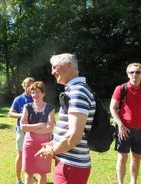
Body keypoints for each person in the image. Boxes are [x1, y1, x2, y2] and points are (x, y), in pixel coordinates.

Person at [35, 53, 96, 184]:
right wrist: (54, 142)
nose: (52, 72)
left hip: (72, 165)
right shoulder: (74, 90)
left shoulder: (78, 92)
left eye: (55, 67)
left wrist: (52, 150)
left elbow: (74, 137)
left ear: (69, 65)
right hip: (69, 162)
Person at [109, 63, 141, 184]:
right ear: (128, 74)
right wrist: (121, 125)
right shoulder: (121, 89)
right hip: (124, 129)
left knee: (137, 157)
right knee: (122, 157)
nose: (135, 75)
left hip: (140, 130)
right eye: (132, 72)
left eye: (138, 72)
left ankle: (133, 182)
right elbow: (112, 108)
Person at [20, 81, 55, 184]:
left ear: (43, 93)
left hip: (44, 145)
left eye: (38, 92)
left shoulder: (50, 108)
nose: (35, 95)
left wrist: (30, 127)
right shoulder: (27, 107)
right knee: (28, 172)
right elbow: (23, 127)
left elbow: (49, 128)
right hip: (29, 144)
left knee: (42, 173)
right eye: (33, 92)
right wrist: (39, 125)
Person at [9, 77, 35, 184]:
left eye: (31, 85)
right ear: (23, 86)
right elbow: (10, 113)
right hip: (21, 130)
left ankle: (31, 177)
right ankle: (19, 179)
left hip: (34, 131)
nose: (29, 87)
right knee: (20, 155)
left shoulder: (37, 97)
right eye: (27, 85)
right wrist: (23, 115)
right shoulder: (18, 99)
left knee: (33, 155)